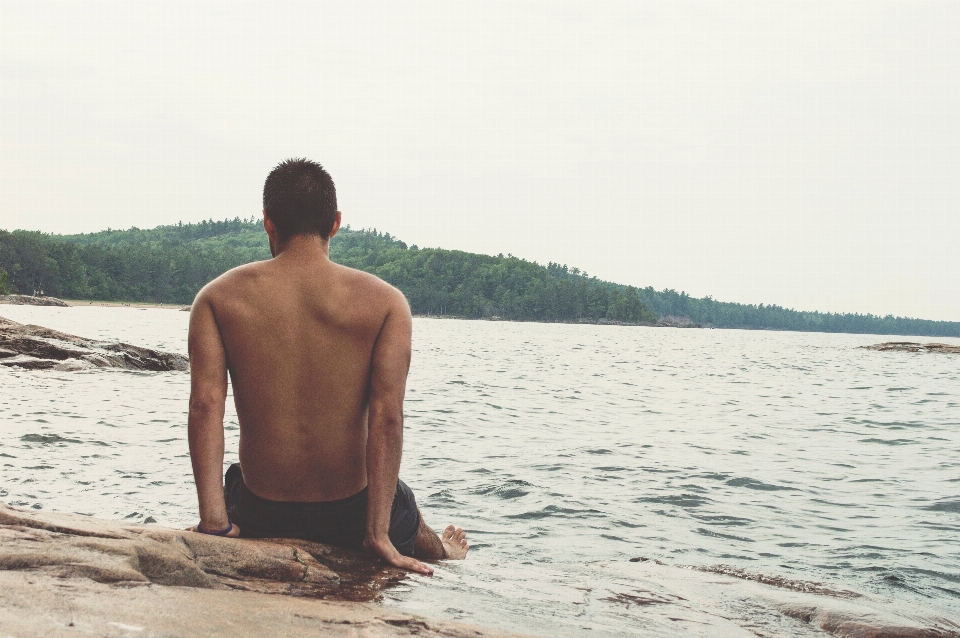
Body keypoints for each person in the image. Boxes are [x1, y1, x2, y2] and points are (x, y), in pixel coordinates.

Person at [186, 158, 468, 575]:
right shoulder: (387, 302)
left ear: (268, 223)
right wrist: (377, 534)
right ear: (335, 223)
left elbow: (206, 405)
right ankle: (445, 550)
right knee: (402, 502)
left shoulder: (216, 298)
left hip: (262, 513)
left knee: (235, 478)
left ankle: (221, 513)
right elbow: (388, 418)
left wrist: (214, 522)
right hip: (350, 518)